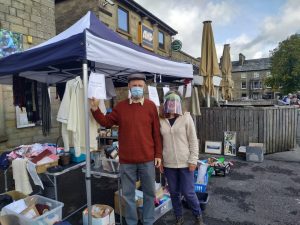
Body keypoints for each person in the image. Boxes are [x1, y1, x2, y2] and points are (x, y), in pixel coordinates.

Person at [89, 73, 162, 225]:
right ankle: (131, 222)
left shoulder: (150, 107)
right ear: (129, 86)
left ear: (144, 88)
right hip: (127, 160)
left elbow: (156, 132)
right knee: (128, 195)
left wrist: (158, 154)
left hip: (147, 159)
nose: (137, 88)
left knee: (149, 193)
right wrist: (95, 108)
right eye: (134, 85)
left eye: (140, 86)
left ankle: (148, 221)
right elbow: (106, 121)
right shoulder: (121, 107)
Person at [159, 90, 206, 225]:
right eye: (170, 101)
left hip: (186, 163)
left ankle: (198, 216)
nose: (172, 103)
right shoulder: (161, 119)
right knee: (174, 193)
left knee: (188, 192)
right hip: (169, 164)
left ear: (179, 103)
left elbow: (193, 141)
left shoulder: (186, 117)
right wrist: (161, 160)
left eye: (175, 101)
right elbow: (159, 142)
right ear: (166, 102)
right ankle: (179, 218)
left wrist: (193, 160)